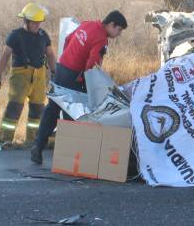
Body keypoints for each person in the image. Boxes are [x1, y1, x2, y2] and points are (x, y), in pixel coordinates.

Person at [30, 10, 127, 164]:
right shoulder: (101, 39)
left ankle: (38, 146)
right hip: (73, 76)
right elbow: (92, 65)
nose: (119, 34)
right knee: (75, 115)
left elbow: (68, 39)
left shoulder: (87, 24)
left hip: (61, 68)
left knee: (52, 109)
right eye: (119, 30)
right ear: (111, 24)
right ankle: (72, 157)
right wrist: (88, 84)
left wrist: (69, 57)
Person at [0, 3, 56, 148]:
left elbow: (51, 54)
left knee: (38, 109)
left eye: (39, 23)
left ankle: (32, 141)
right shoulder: (16, 35)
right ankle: (5, 140)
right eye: (34, 22)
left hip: (39, 76)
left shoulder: (43, 35)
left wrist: (54, 72)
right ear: (26, 21)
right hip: (20, 75)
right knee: (14, 107)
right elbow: (5, 55)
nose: (37, 25)